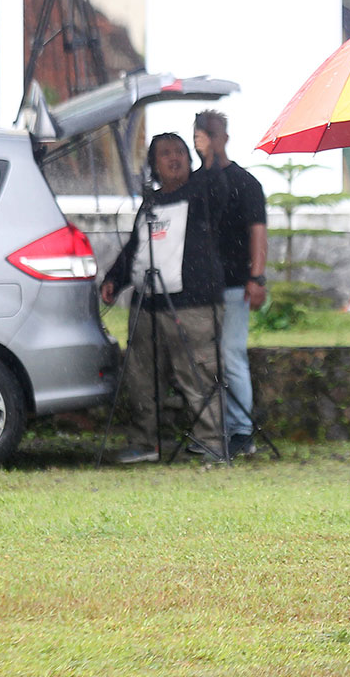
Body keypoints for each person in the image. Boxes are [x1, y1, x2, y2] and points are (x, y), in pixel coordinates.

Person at [101, 133, 227, 463]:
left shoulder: (202, 192)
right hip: (147, 304)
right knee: (141, 377)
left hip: (194, 304)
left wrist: (209, 155)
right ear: (153, 165)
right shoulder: (150, 203)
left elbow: (219, 186)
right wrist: (115, 278)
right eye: (166, 153)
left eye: (180, 152)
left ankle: (211, 441)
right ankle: (145, 442)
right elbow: (136, 246)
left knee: (198, 374)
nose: (174, 158)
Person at [193, 110, 268, 457]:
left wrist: (256, 277)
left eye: (213, 134)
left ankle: (241, 431)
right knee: (205, 357)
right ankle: (216, 428)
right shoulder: (196, 183)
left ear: (224, 137)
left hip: (236, 282)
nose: (208, 140)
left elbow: (258, 232)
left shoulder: (245, 182)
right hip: (200, 286)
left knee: (231, 353)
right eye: (202, 134)